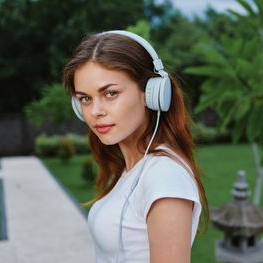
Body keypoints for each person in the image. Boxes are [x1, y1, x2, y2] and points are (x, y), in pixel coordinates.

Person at [63, 30, 208, 263]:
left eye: (110, 93)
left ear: (151, 94)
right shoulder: (132, 167)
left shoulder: (164, 177)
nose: (95, 111)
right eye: (85, 99)